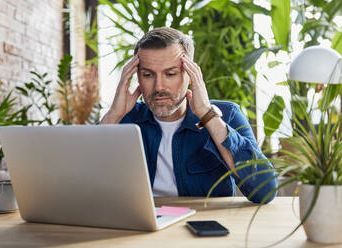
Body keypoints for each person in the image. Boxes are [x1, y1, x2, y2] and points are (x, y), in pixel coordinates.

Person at [101, 27, 277, 203]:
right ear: (136, 77)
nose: (159, 87)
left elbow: (265, 191)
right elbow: (80, 187)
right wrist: (114, 115)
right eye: (147, 75)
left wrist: (207, 115)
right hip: (141, 225)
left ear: (191, 75)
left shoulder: (227, 114)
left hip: (202, 223)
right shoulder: (124, 119)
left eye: (170, 74)